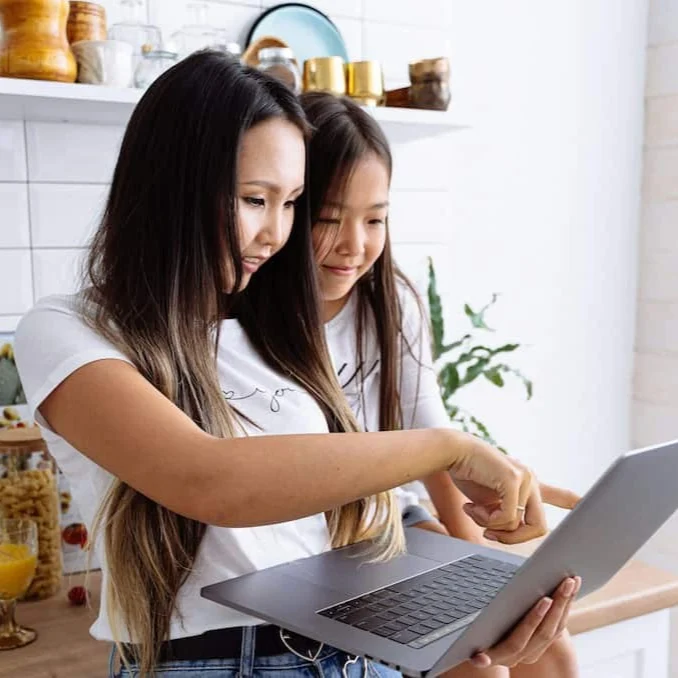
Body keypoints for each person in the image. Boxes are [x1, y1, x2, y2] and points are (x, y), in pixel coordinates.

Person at [15, 53, 576, 678]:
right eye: (256, 199)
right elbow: (209, 482)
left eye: (292, 205)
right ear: (170, 186)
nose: (274, 233)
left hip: (342, 658)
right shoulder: (70, 330)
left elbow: (328, 531)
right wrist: (445, 448)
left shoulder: (278, 330)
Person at [301, 91, 581, 678]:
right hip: (315, 539)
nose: (355, 245)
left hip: (390, 519)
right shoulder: (252, 320)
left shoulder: (392, 301)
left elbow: (433, 440)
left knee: (547, 646)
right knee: (477, 667)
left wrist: (473, 555)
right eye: (329, 219)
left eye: (374, 219)